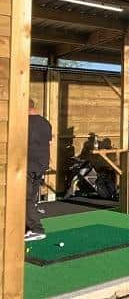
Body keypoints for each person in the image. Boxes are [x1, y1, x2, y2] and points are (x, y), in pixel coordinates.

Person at [26, 99, 51, 241]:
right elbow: (49, 143)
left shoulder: (26, 123)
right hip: (41, 165)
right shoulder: (45, 122)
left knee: (26, 198)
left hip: (28, 165)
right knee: (31, 197)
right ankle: (29, 228)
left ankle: (36, 229)